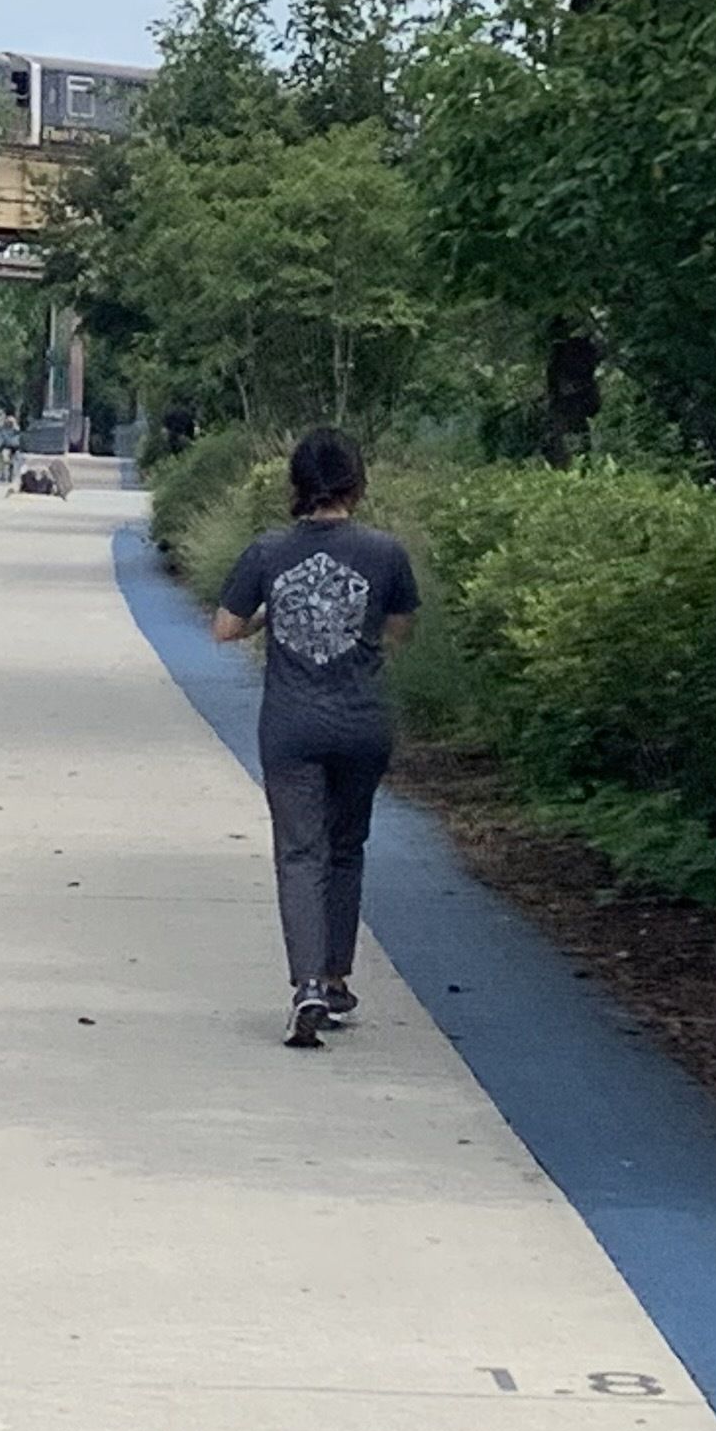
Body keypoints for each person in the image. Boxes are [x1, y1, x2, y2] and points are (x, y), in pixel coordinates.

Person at [210, 428, 420, 1047]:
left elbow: (224, 627)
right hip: (362, 722)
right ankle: (334, 974)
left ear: (295, 486)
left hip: (291, 725)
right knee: (347, 846)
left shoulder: (268, 552)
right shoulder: (386, 553)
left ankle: (305, 985)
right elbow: (400, 630)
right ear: (357, 482)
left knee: (300, 852)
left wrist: (276, 617)